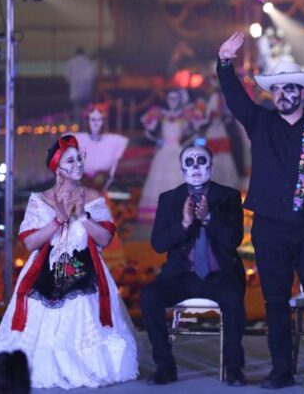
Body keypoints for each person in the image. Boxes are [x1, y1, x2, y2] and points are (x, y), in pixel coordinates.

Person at [217, 32, 304, 388]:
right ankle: (282, 369)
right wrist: (224, 62)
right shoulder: (260, 122)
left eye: (289, 89)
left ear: (302, 93)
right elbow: (234, 97)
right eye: (277, 90)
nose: (283, 95)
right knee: (274, 301)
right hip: (269, 229)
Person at [0, 135, 138, 389]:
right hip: (45, 272)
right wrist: (57, 220)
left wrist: (81, 215)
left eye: (79, 158)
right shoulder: (40, 200)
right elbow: (30, 243)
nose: (78, 164)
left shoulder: (92, 195)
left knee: (85, 308)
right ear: (57, 168)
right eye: (71, 160)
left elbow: (104, 239)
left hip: (86, 271)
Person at [140, 145, 247, 385]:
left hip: (219, 276)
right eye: (189, 162)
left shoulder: (228, 197)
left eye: (201, 161)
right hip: (180, 276)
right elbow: (158, 244)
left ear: (211, 166)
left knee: (232, 299)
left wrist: (209, 218)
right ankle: (165, 367)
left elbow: (233, 241)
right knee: (149, 297)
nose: (196, 167)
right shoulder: (169, 199)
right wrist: (185, 224)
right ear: (181, 169)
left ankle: (234, 368)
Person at [138, 89, 192, 221]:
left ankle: (180, 211)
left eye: (174, 98)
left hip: (177, 149)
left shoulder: (184, 115)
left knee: (178, 177)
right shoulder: (160, 114)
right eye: (169, 98)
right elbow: (148, 129)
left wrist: (186, 142)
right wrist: (157, 140)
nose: (172, 101)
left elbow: (194, 129)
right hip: (165, 150)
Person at [73, 102, 129, 192]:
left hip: (102, 186)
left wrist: (106, 178)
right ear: (88, 121)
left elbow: (114, 169)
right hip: (82, 186)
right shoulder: (79, 139)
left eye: (99, 120)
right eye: (93, 119)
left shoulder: (114, 141)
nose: (96, 123)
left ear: (103, 121)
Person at [64, 46, 97, 123]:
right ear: (84, 53)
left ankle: (79, 129)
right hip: (87, 91)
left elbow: (67, 77)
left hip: (75, 91)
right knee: (87, 111)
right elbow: (93, 77)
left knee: (77, 112)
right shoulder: (89, 62)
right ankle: (86, 127)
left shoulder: (71, 62)